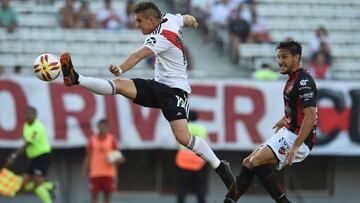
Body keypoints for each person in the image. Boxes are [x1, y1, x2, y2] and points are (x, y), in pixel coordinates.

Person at [60, 1, 236, 193]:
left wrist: (120, 68)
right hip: (157, 85)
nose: (137, 25)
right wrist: (191, 20)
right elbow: (183, 18)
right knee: (119, 86)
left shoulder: (162, 36)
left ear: (152, 20)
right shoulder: (169, 18)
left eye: (139, 21)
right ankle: (76, 78)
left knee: (183, 138)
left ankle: (220, 166)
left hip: (175, 91)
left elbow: (138, 55)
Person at [224, 41, 318, 203]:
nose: (280, 61)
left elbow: (311, 116)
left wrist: (295, 146)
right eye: (278, 57)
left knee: (253, 162)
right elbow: (299, 110)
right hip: (289, 131)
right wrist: (286, 119)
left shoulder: (303, 82)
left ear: (297, 58)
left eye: (284, 57)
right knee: (248, 162)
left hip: (298, 139)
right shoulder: (292, 79)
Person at [4, 106, 55, 203]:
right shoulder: (26, 125)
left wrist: (13, 156)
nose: (27, 116)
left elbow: (28, 143)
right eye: (26, 113)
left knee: (38, 186)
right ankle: (51, 186)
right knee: (24, 184)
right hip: (34, 158)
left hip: (43, 156)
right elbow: (25, 138)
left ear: (35, 115)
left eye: (30, 114)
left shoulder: (37, 127)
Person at [81, 119, 125, 203]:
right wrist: (84, 170)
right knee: (94, 196)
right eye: (100, 126)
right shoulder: (92, 140)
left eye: (104, 126)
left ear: (107, 127)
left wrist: (114, 160)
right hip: (95, 173)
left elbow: (120, 157)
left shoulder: (112, 140)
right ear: (98, 127)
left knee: (107, 197)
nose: (102, 128)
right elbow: (88, 156)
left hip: (108, 173)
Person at [175, 110, 207, 203]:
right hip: (197, 161)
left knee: (182, 187)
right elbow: (204, 144)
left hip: (183, 161)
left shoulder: (183, 127)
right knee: (199, 187)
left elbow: (177, 143)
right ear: (197, 117)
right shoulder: (202, 128)